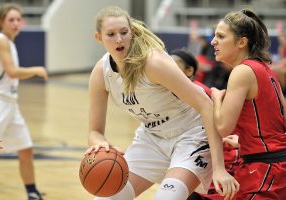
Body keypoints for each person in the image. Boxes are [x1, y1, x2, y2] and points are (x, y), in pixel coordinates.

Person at [85, 6, 239, 200]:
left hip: (190, 134)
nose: (119, 39)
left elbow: (205, 105)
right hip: (152, 137)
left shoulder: (153, 63)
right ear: (99, 37)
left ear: (131, 32)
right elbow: (94, 132)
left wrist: (219, 169)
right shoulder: (101, 73)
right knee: (106, 198)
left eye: (124, 32)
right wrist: (101, 145)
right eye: (111, 34)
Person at [211, 8, 286, 199]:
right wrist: (247, 140)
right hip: (273, 163)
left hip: (267, 168)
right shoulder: (264, 69)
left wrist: (217, 100)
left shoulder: (242, 71)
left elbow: (223, 128)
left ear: (242, 42)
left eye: (220, 36)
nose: (213, 41)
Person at [0, 3, 48, 200]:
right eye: (11, 19)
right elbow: (12, 71)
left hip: (11, 105)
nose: (15, 23)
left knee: (26, 148)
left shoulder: (7, 43)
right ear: (1, 22)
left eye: (18, 19)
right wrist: (36, 70)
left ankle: (32, 193)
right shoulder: (2, 41)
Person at [170, 48, 241, 200]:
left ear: (189, 70)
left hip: (218, 156)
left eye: (174, 65)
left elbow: (224, 125)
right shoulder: (167, 94)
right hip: (190, 154)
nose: (169, 69)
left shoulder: (203, 92)